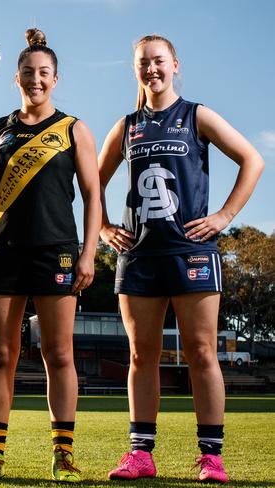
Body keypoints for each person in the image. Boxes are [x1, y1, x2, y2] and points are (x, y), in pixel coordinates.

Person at [99, 34, 264, 484]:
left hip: (191, 251)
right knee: (140, 355)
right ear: (135, 70)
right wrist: (102, 227)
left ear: (175, 64)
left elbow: (252, 159)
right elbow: (91, 182)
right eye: (142, 63)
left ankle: (212, 458)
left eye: (158, 61)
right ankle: (140, 455)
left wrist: (225, 216)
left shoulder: (196, 115)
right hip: (139, 257)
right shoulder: (127, 125)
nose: (151, 69)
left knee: (202, 352)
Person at [0, 28, 101, 483]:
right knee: (1, 354)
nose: (35, 80)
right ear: (16, 79)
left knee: (59, 354)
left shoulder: (74, 128)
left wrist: (87, 253)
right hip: (1, 246)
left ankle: (63, 455)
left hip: (56, 250)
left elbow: (92, 195)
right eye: (27, 73)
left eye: (43, 73)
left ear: (56, 79)